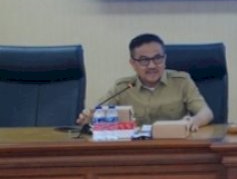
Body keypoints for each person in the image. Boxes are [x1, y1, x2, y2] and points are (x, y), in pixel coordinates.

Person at [77, 33, 213, 131]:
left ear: (165, 59)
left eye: (158, 58)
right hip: (135, 153)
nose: (152, 66)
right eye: (144, 60)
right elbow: (98, 115)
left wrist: (194, 121)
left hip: (174, 147)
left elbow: (206, 113)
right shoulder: (123, 87)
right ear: (133, 64)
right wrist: (89, 118)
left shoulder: (182, 81)